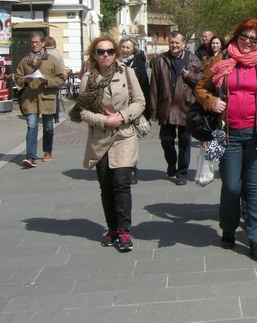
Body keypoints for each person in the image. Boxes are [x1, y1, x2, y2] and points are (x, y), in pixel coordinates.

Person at [194, 19, 257, 262]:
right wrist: (211, 102)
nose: (247, 42)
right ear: (236, 37)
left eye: (253, 39)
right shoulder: (222, 60)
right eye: (243, 37)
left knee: (255, 188)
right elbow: (201, 88)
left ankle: (256, 238)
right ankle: (228, 227)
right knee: (232, 186)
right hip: (228, 134)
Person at [69, 35, 145, 251]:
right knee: (106, 185)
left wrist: (121, 116)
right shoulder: (88, 78)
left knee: (121, 182)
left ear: (115, 54)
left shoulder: (127, 73)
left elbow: (140, 102)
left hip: (124, 135)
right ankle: (112, 228)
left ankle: (124, 230)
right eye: (101, 51)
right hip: (100, 137)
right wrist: (104, 120)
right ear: (94, 54)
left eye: (110, 51)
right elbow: (82, 111)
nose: (105, 55)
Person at [149, 31, 204, 185]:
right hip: (166, 105)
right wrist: (153, 109)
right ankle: (171, 162)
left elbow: (203, 81)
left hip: (186, 106)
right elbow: (154, 86)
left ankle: (182, 173)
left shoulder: (193, 60)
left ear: (183, 44)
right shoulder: (160, 60)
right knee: (166, 139)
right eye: (171, 42)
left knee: (185, 141)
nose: (174, 45)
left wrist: (189, 76)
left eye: (177, 42)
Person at [14, 32, 66, 167]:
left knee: (48, 127)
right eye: (32, 42)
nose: (34, 44)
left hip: (47, 99)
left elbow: (61, 79)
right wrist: (25, 80)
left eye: (37, 42)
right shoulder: (25, 61)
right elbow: (17, 78)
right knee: (32, 126)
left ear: (42, 43)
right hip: (30, 99)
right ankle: (30, 156)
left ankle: (47, 151)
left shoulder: (51, 60)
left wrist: (47, 80)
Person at [120, 38, 150, 185]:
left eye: (128, 47)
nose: (125, 50)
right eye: (123, 47)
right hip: (117, 107)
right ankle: (119, 169)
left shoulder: (138, 63)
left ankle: (132, 169)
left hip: (133, 108)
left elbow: (145, 85)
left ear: (133, 49)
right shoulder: (114, 63)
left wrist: (146, 110)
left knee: (131, 140)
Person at [43, 36, 66, 123]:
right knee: (55, 97)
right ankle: (56, 117)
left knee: (45, 98)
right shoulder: (58, 53)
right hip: (55, 78)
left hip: (44, 78)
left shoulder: (43, 53)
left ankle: (48, 116)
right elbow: (62, 65)